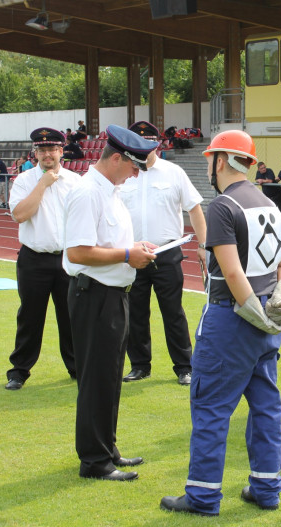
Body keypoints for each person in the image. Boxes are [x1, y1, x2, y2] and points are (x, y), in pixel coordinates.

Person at [160, 130, 281, 516]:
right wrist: (276, 311)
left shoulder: (221, 206)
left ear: (221, 160)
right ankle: (267, 489)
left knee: (211, 408)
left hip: (229, 320)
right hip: (267, 322)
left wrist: (254, 312)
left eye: (209, 159)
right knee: (266, 408)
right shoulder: (269, 203)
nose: (208, 166)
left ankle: (203, 497)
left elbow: (233, 274)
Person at [63, 124, 159, 481]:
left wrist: (134, 252)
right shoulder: (88, 193)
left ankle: (106, 448)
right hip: (95, 294)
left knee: (110, 378)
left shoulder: (110, 191)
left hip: (112, 294)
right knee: (97, 379)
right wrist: (125, 255)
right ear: (116, 158)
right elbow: (78, 251)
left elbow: (105, 245)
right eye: (134, 165)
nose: (136, 173)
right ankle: (94, 461)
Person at [119, 120, 207, 385]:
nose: (143, 150)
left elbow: (195, 209)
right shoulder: (124, 174)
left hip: (167, 253)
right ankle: (140, 365)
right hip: (133, 254)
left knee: (173, 312)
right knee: (135, 313)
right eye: (137, 144)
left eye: (148, 144)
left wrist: (203, 246)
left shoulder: (174, 172)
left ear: (157, 144)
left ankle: (184, 366)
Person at [4, 128, 81, 391]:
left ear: (62, 151)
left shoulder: (75, 181)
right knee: (30, 316)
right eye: (42, 150)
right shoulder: (25, 180)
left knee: (71, 316)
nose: (47, 154)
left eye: (52, 149)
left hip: (66, 258)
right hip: (34, 259)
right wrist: (43, 184)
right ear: (35, 153)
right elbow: (20, 215)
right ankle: (19, 371)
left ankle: (76, 367)